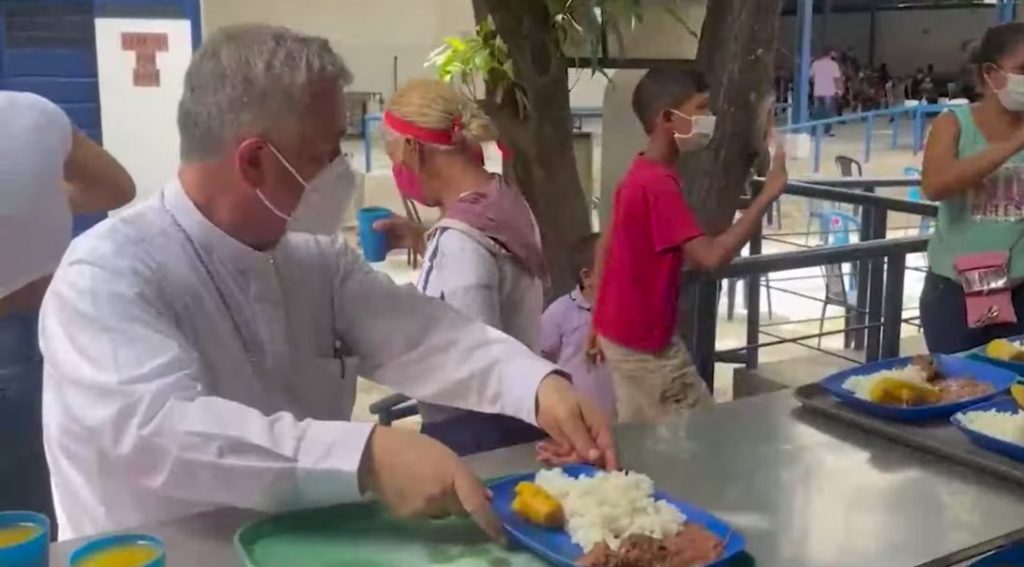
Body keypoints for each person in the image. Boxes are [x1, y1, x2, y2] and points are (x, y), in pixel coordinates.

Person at [38, 24, 615, 540]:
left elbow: (427, 335)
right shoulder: (106, 276)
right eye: (326, 153)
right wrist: (366, 456)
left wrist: (537, 385)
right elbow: (161, 435)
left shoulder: (313, 260)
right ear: (253, 162)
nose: (343, 170)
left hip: (301, 543)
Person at [586, 67, 788, 424]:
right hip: (647, 349)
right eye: (700, 108)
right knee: (702, 437)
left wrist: (596, 323)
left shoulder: (639, 172)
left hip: (619, 337)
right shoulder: (657, 186)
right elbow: (711, 257)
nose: (708, 118)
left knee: (643, 439)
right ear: (667, 119)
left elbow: (606, 245)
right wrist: (768, 195)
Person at [378, 78, 549, 456]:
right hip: (519, 417)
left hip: (476, 434)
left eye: (394, 158)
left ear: (413, 149)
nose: (398, 170)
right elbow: (490, 275)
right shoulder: (502, 200)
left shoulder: (460, 241)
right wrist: (422, 241)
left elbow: (475, 363)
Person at [0, 91, 135, 533]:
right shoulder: (33, 113)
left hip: (28, 332)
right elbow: (116, 188)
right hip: (49, 315)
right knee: (45, 498)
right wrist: (44, 197)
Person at [920, 22, 1024, 354]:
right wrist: (1013, 144)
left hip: (1019, 288)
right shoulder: (953, 124)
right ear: (990, 74)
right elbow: (935, 185)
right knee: (960, 379)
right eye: (1022, 69)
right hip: (955, 291)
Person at [539, 233, 616, 421]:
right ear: (587, 277)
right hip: (580, 416)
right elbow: (540, 356)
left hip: (623, 414)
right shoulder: (560, 312)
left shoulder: (625, 308)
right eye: (615, 266)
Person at [810, 48, 842, 136]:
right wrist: (839, 90)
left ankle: (814, 130)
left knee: (817, 111)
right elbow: (836, 79)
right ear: (830, 54)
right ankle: (828, 130)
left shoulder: (815, 63)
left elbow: (811, 77)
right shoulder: (834, 64)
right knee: (829, 112)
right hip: (829, 91)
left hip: (817, 91)